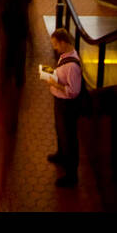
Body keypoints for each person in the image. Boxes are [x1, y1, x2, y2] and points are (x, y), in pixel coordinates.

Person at [46, 28, 83, 187]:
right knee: (60, 131)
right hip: (60, 103)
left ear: (63, 42)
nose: (54, 47)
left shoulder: (73, 66)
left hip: (67, 106)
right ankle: (61, 154)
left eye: (55, 44)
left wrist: (56, 84)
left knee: (69, 137)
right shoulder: (65, 56)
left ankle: (71, 175)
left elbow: (73, 91)